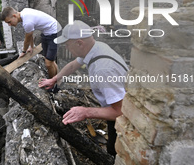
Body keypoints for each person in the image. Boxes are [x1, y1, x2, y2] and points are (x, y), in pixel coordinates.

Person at [38, 20, 128, 157]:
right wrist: (55, 79)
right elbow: (74, 65)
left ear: (79, 43)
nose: (67, 48)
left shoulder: (103, 69)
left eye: (67, 45)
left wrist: (85, 112)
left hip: (125, 117)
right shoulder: (95, 48)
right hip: (116, 105)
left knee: (116, 152)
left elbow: (120, 112)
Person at [1, 6, 61, 78]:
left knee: (48, 63)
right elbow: (30, 34)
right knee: (50, 61)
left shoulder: (27, 22)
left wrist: (24, 51)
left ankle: (52, 85)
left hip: (55, 33)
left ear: (14, 16)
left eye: (9, 22)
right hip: (47, 32)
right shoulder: (24, 12)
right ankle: (58, 80)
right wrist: (32, 47)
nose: (9, 25)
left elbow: (27, 39)